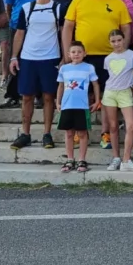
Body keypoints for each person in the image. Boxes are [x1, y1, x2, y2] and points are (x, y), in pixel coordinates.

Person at [61, 0, 132, 116]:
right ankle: (80, 130)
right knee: (80, 95)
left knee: (107, 98)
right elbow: (68, 27)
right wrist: (67, 53)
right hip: (82, 58)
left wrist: (123, 51)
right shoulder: (78, 1)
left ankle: (105, 134)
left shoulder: (118, 3)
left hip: (110, 58)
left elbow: (126, 28)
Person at [8, 0, 63, 150]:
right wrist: (14, 57)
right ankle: (25, 134)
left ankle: (47, 134)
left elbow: (63, 33)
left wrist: (64, 58)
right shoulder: (26, 7)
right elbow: (19, 33)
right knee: (27, 97)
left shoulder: (58, 8)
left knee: (48, 97)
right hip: (28, 58)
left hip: (51, 57)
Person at [97, 29, 133, 171]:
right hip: (110, 92)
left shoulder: (132, 56)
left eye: (119, 40)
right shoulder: (108, 58)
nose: (117, 44)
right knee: (113, 126)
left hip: (125, 92)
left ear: (124, 40)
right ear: (110, 43)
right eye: (113, 41)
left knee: (131, 125)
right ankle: (116, 158)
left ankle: (126, 160)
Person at [56, 40, 99, 173]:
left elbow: (95, 85)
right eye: (73, 52)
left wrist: (97, 101)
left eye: (79, 52)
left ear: (84, 53)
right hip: (67, 105)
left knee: (82, 133)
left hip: (82, 106)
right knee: (69, 133)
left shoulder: (89, 68)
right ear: (69, 54)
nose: (76, 54)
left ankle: (82, 159)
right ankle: (70, 159)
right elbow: (61, 86)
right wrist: (58, 102)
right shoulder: (64, 68)